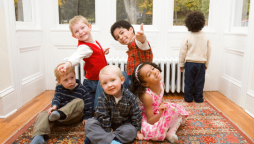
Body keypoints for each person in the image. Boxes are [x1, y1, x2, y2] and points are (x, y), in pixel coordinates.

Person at [94, 20, 153, 109]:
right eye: (117, 37)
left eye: (122, 33)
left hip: (139, 81)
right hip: (130, 76)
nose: (121, 37)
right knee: (105, 78)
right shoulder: (130, 45)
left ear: (130, 29)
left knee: (112, 81)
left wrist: (142, 38)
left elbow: (143, 43)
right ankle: (99, 109)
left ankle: (100, 109)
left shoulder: (138, 41)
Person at [30, 63, 93, 144]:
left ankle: (59, 113)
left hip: (74, 116)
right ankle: (39, 136)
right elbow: (57, 98)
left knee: (79, 101)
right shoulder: (59, 88)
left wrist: (87, 117)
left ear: (75, 76)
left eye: (72, 78)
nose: (70, 82)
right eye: (65, 80)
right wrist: (54, 106)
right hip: (58, 117)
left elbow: (88, 103)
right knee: (42, 114)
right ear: (59, 82)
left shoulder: (82, 88)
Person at [57, 15, 109, 111]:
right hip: (92, 82)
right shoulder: (84, 47)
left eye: (82, 28)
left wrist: (102, 52)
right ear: (74, 36)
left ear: (90, 27)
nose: (81, 32)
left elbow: (92, 54)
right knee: (92, 104)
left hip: (97, 80)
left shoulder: (94, 42)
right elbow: (77, 56)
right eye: (77, 31)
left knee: (94, 102)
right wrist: (68, 64)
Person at [129, 62, 189, 143]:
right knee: (153, 131)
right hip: (148, 117)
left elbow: (159, 100)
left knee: (178, 110)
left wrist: (163, 108)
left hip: (157, 111)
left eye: (153, 68)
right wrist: (160, 114)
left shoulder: (161, 84)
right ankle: (166, 129)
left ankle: (171, 132)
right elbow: (150, 120)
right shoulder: (147, 96)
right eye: (149, 74)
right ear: (145, 84)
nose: (154, 72)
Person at [85, 65, 143, 144]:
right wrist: (107, 130)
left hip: (123, 126)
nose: (109, 85)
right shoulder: (103, 97)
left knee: (131, 130)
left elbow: (136, 113)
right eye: (105, 83)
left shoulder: (130, 96)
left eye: (113, 80)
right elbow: (102, 115)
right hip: (104, 125)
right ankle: (112, 141)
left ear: (122, 80)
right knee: (90, 123)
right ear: (101, 86)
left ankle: (98, 139)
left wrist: (138, 131)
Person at [179, 11, 211, 103]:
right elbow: (209, 52)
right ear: (202, 23)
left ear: (188, 24)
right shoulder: (206, 37)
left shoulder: (188, 37)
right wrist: (206, 64)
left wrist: (181, 63)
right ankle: (198, 98)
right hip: (201, 64)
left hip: (189, 64)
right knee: (199, 82)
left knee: (189, 82)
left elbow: (182, 52)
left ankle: (188, 98)